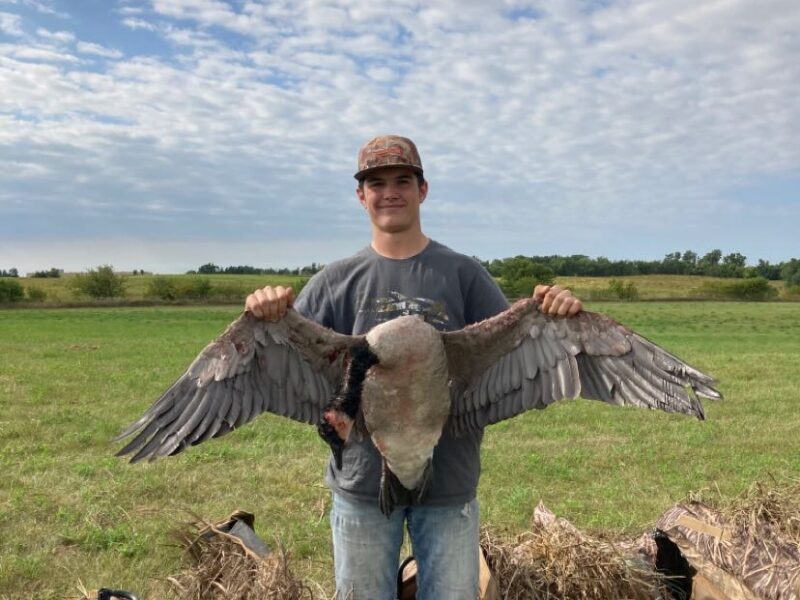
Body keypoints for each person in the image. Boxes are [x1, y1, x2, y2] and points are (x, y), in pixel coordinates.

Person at [246, 135, 583, 599]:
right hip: (362, 489)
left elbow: (515, 346)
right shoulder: (334, 282)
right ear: (361, 196)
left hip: (447, 488)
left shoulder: (464, 274)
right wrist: (264, 315)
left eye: (403, 180)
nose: (390, 192)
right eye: (376, 183)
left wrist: (556, 315)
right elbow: (286, 352)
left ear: (422, 190)